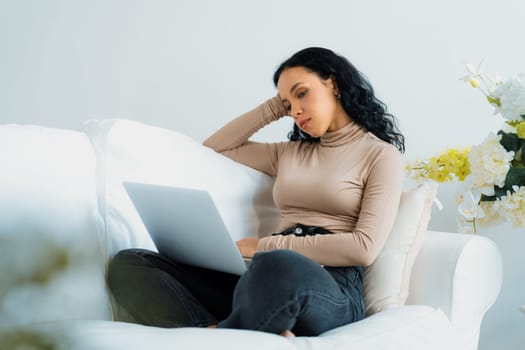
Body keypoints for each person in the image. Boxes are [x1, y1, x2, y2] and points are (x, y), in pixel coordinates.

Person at [107, 47, 405, 337]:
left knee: (280, 267)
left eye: (302, 93)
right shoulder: (290, 153)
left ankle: (235, 329)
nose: (296, 111)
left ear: (334, 84)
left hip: (330, 286)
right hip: (262, 278)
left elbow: (363, 248)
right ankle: (219, 333)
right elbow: (216, 147)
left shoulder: (380, 155)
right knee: (131, 263)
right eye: (288, 105)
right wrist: (275, 107)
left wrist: (264, 246)